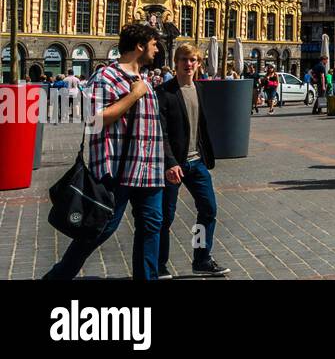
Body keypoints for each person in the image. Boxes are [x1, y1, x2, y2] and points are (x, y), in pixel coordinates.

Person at [43, 23, 167, 281]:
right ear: (140, 45)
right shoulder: (105, 77)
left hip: (149, 170)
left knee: (151, 228)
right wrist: (133, 96)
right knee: (98, 230)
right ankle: (56, 278)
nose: (157, 50)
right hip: (118, 170)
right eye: (154, 44)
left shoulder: (144, 79)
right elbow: (93, 120)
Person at [156, 43, 230, 277]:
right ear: (176, 63)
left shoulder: (199, 89)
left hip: (196, 162)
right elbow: (161, 132)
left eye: (193, 60)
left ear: (198, 64)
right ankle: (159, 263)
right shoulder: (165, 92)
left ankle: (201, 258)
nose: (188, 64)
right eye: (184, 60)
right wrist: (170, 163)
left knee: (208, 209)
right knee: (165, 217)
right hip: (173, 165)